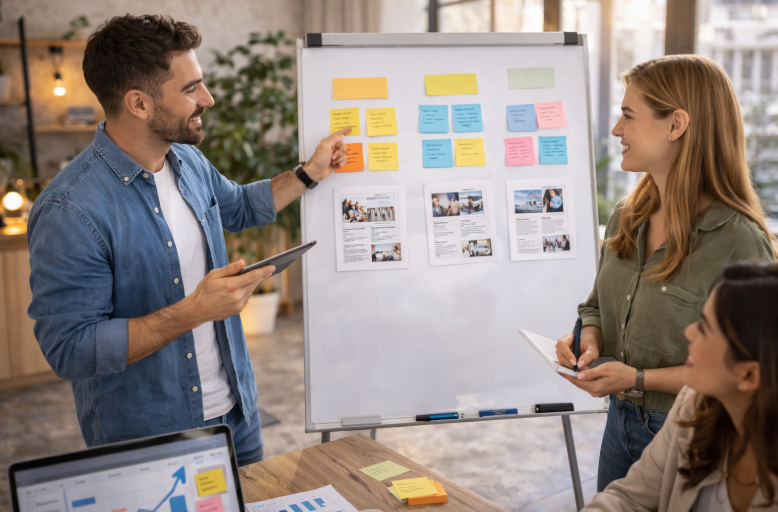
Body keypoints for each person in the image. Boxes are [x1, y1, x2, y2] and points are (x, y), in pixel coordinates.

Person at [26, 15, 349, 466]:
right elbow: (71, 349)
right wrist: (193, 312)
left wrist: (307, 174)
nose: (208, 99)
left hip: (237, 417)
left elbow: (236, 205)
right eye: (189, 88)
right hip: (151, 440)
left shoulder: (187, 161)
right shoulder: (70, 208)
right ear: (138, 103)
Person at [554, 54, 775, 491]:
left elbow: (754, 370)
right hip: (619, 423)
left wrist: (637, 378)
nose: (617, 130)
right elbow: (596, 304)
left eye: (628, 115)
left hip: (691, 432)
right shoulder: (626, 216)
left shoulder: (741, 241)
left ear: (676, 125)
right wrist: (589, 337)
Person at [584, 262, 778, 512]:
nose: (690, 332)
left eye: (706, 328)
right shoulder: (694, 406)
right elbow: (629, 498)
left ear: (749, 374)